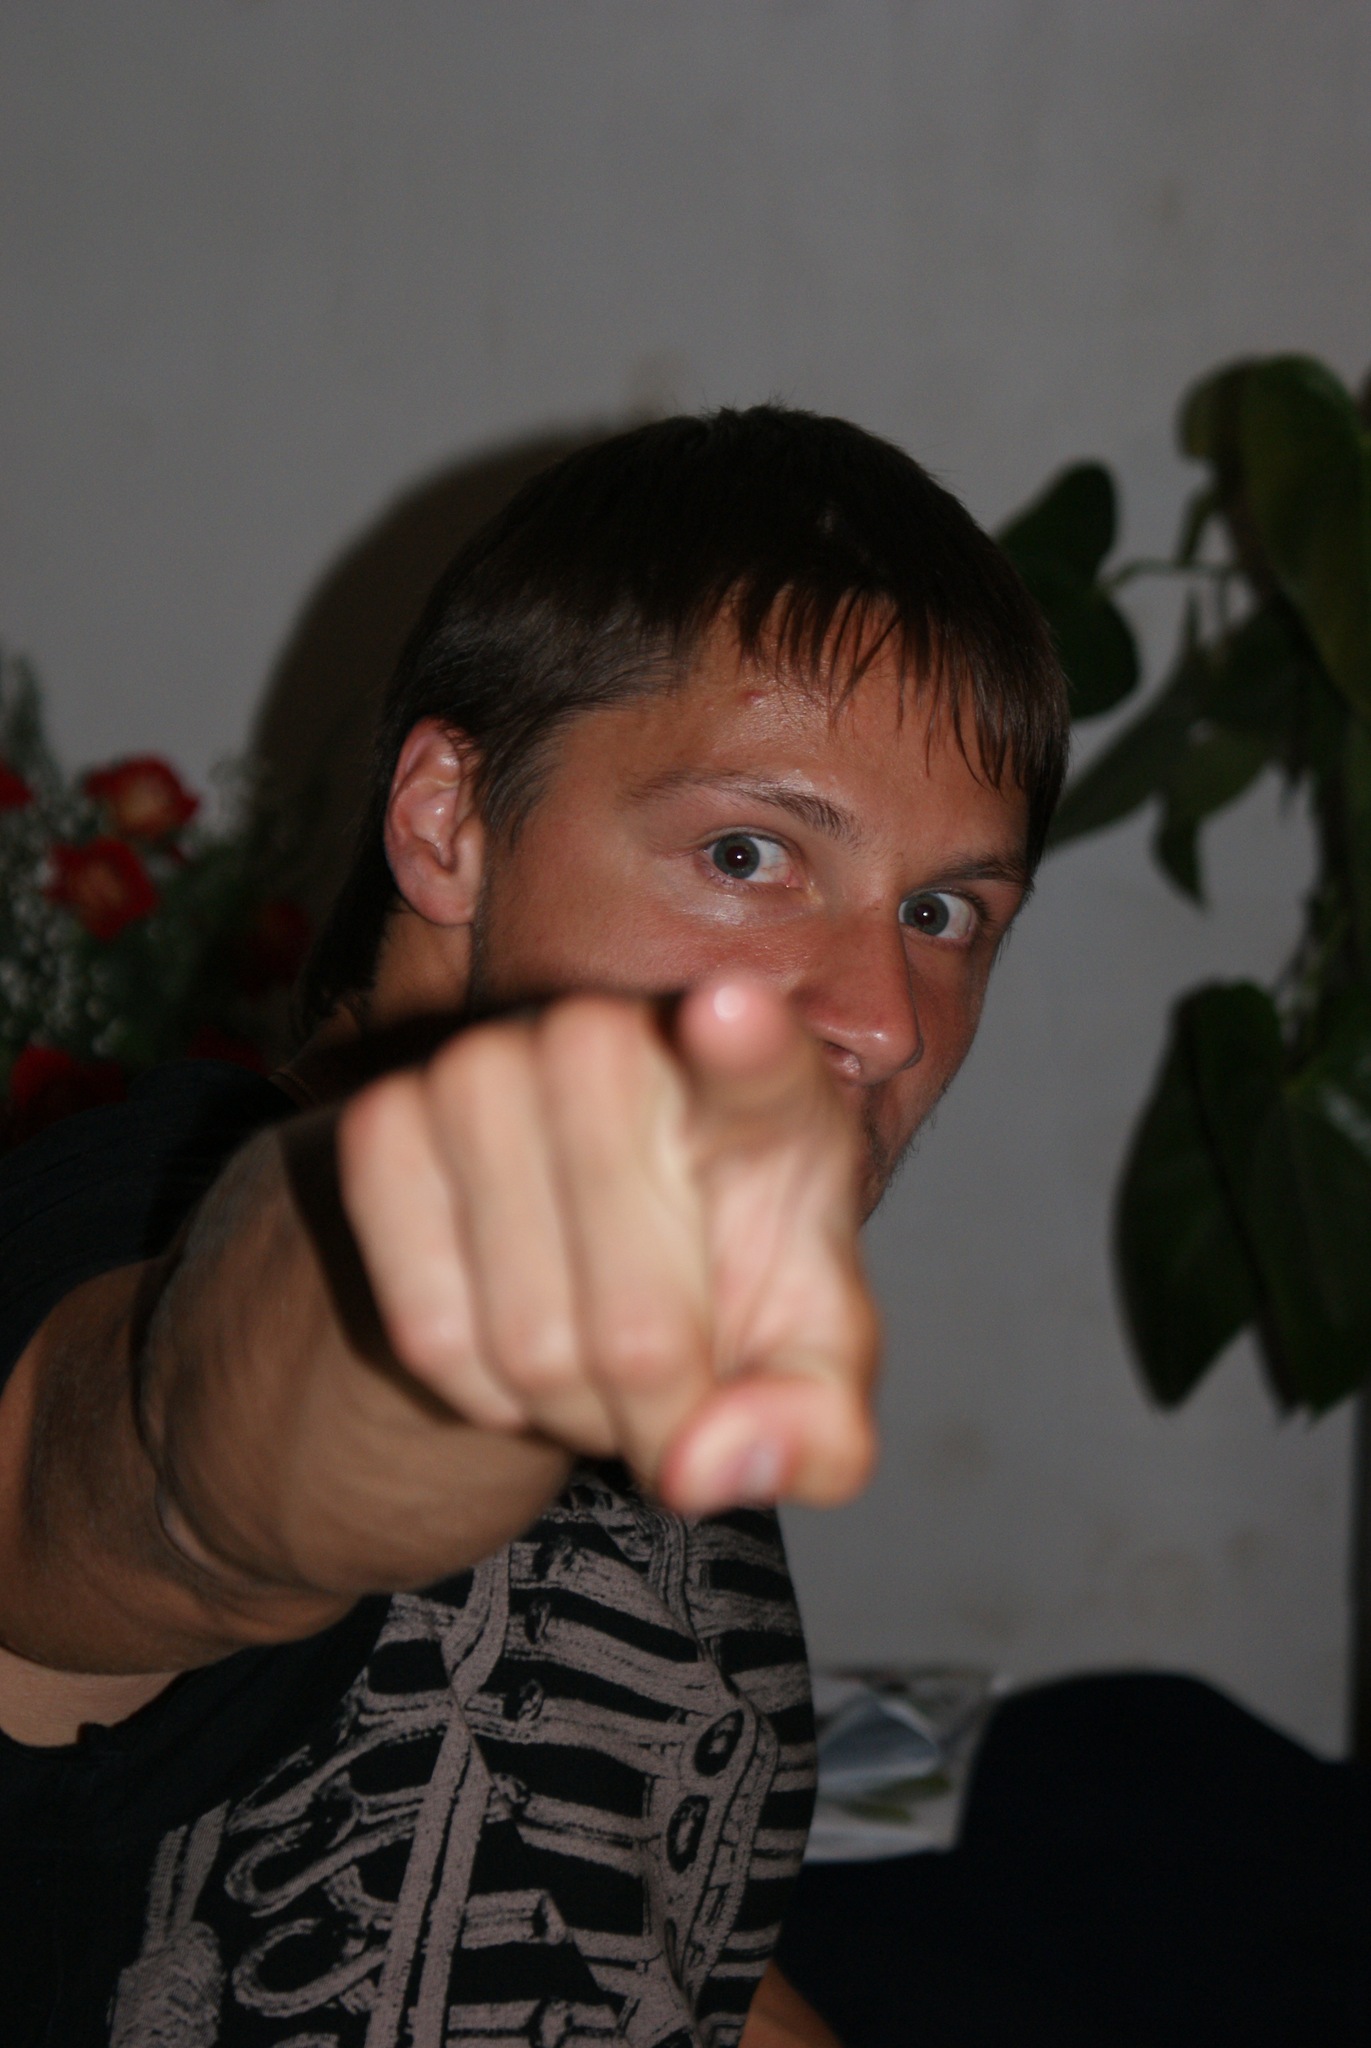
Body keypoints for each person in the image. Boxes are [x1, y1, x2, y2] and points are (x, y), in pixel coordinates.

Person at [0, 406, 1067, 2048]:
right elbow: (173, 1471)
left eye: (941, 913)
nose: (885, 1016)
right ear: (450, 821)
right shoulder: (134, 1210)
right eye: (747, 853)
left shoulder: (667, 1381)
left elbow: (649, 1957)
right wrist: (429, 1296)